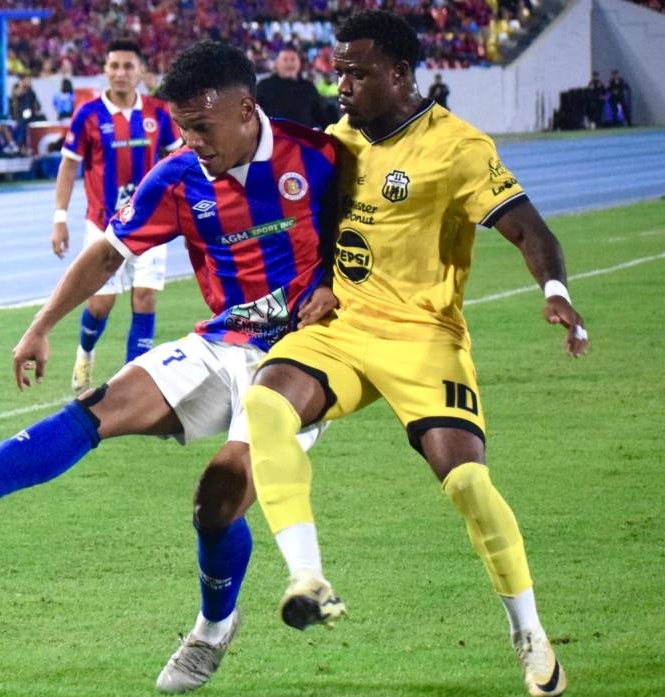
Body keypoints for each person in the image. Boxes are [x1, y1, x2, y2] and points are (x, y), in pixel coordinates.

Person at [0, 40, 340, 694]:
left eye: (202, 128)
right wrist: (40, 326)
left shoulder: (316, 156)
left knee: (220, 493)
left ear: (245, 109)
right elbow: (107, 254)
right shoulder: (179, 175)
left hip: (298, 358)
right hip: (220, 339)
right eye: (182, 128)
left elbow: (371, 235)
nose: (192, 141)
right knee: (99, 407)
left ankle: (212, 628)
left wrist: (341, 287)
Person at [243, 11, 586, 697]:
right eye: (338, 69)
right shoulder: (334, 142)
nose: (341, 84)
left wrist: (554, 289)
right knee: (264, 401)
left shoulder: (456, 146)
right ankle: (309, 575)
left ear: (400, 75)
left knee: (467, 485)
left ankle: (530, 632)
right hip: (340, 324)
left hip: (423, 337)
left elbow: (526, 226)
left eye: (358, 72)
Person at [50, 38, 182, 394]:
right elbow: (68, 167)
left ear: (141, 71)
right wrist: (59, 217)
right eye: (114, 66)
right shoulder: (88, 115)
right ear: (105, 71)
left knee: (145, 298)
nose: (120, 73)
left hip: (151, 223)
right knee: (101, 302)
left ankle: (130, 385)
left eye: (128, 66)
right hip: (104, 225)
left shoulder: (159, 113)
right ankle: (85, 353)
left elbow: (178, 162)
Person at [255, 47, 327, 128]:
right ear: (277, 64)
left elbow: (321, 117)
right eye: (285, 60)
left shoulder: (309, 87)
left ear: (299, 63)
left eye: (293, 59)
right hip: (274, 137)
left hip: (302, 138)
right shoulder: (264, 86)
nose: (289, 63)